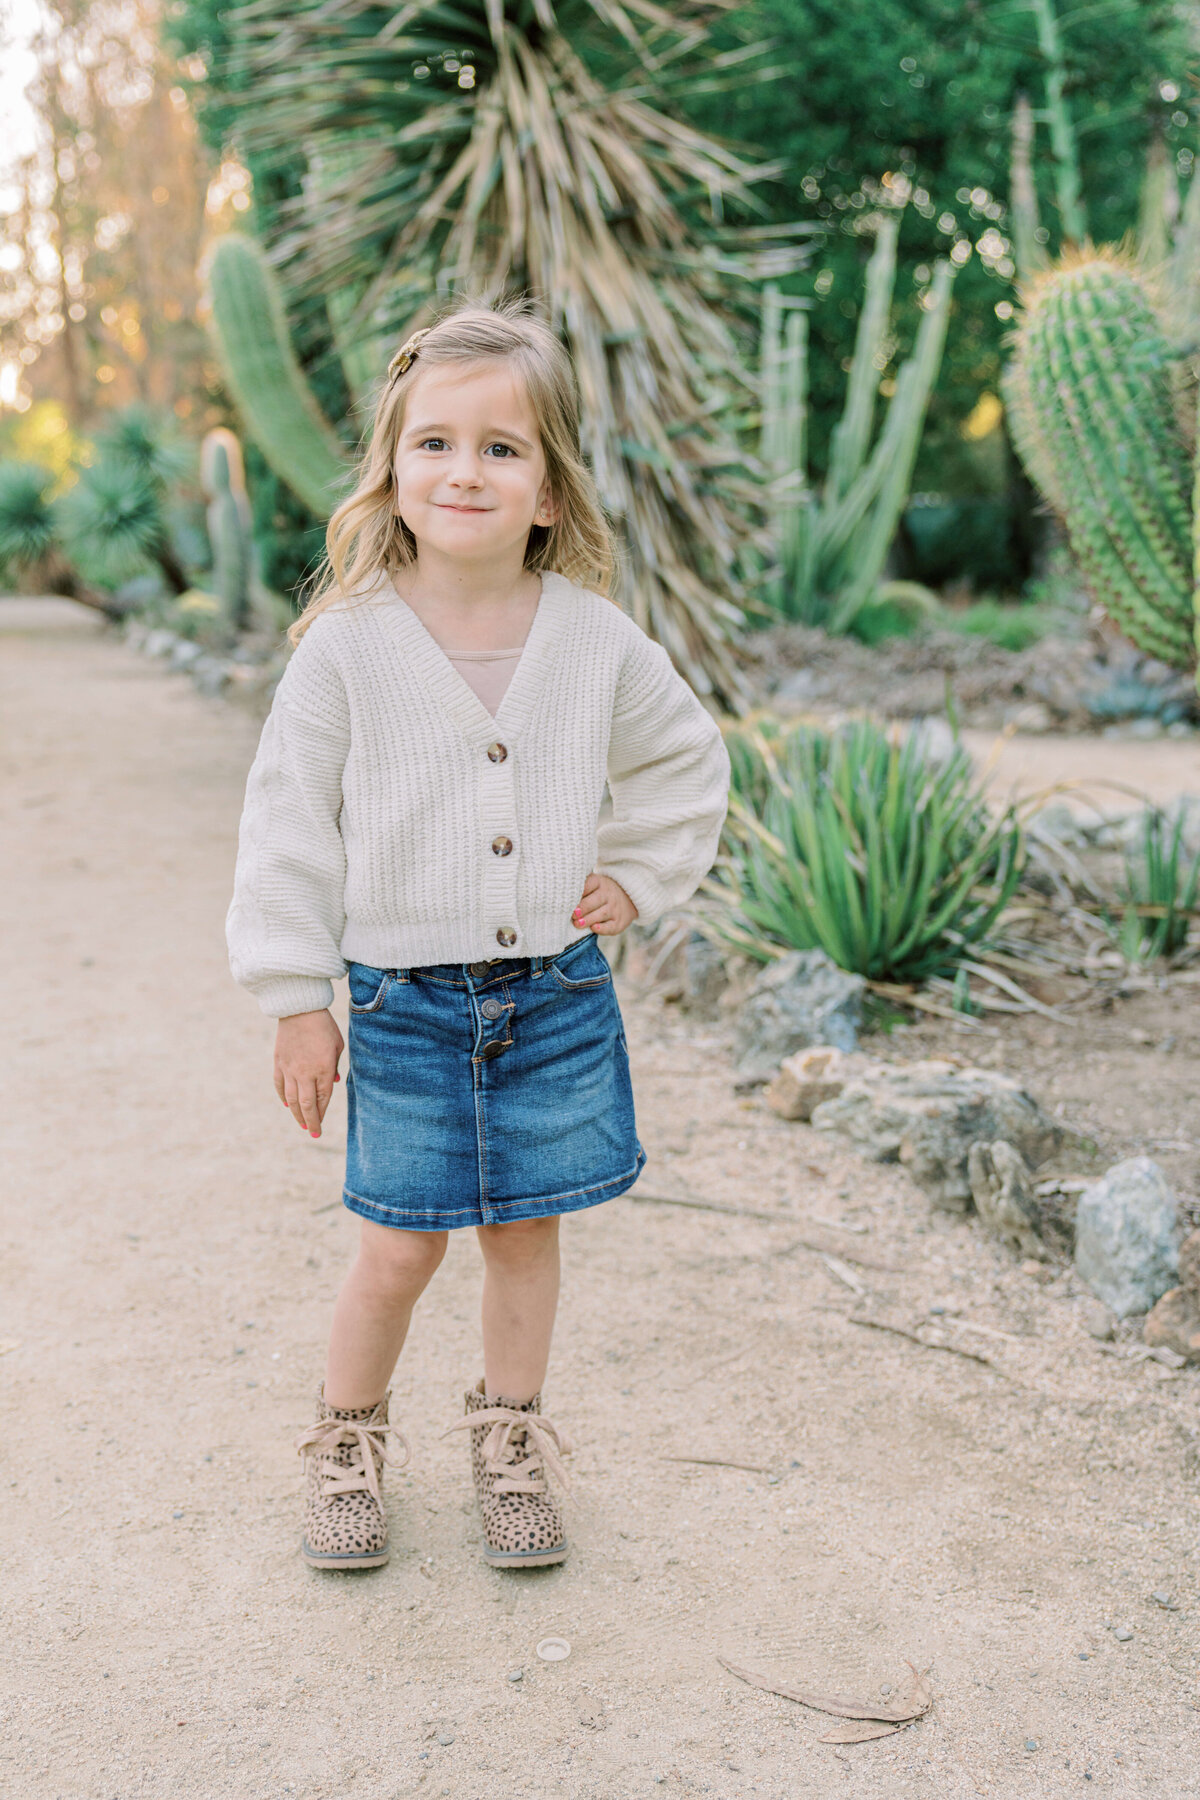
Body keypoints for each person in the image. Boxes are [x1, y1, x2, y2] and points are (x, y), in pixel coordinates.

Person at [225, 295, 730, 1573]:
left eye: (503, 449)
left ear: (551, 490)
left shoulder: (594, 640)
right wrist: (298, 996)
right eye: (436, 443)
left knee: (526, 1234)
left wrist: (640, 871)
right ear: (393, 472)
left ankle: (510, 1438)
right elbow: (287, 826)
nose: (466, 470)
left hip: (554, 991)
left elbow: (685, 756)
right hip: (403, 1001)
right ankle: (345, 1437)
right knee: (398, 1247)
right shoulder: (344, 653)